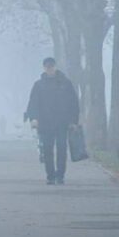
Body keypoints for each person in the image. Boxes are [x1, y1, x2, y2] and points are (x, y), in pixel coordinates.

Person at [25, 57, 80, 185]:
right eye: (47, 67)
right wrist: (33, 118)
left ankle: (60, 175)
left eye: (51, 66)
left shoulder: (65, 84)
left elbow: (73, 103)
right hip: (45, 123)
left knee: (62, 149)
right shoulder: (38, 85)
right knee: (47, 150)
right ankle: (50, 175)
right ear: (44, 68)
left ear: (55, 67)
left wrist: (73, 121)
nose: (49, 69)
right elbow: (33, 103)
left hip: (62, 122)